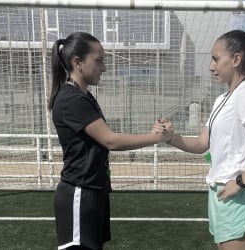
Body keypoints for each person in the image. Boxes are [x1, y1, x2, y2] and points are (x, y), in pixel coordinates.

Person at [49, 32, 172, 250]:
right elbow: (111, 141)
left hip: (95, 191)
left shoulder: (85, 96)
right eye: (99, 60)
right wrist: (156, 137)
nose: (103, 68)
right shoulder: (71, 99)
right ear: (77, 62)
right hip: (79, 193)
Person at [166, 30, 245, 250]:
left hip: (239, 196)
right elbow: (202, 144)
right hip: (222, 194)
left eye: (216, 59)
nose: (211, 66)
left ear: (236, 60)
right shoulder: (223, 98)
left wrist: (240, 182)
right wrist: (171, 137)